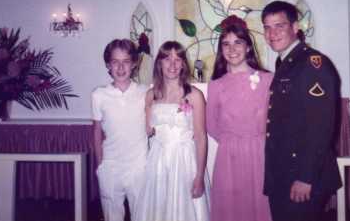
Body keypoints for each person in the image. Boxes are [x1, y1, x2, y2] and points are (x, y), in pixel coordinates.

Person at [261, 1, 342, 221]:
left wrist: (305, 177)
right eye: (267, 27)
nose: (272, 33)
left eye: (279, 25)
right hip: (286, 172)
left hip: (303, 175)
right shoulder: (287, 63)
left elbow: (320, 125)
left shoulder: (312, 64)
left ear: (295, 27)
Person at [206, 15, 273, 221]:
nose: (232, 49)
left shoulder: (267, 79)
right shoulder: (216, 84)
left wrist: (255, 140)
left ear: (248, 47)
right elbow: (211, 125)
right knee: (231, 207)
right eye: (226, 44)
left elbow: (275, 119)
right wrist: (232, 141)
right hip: (229, 155)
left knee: (258, 204)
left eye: (238, 42)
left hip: (259, 152)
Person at [134, 41, 210, 221]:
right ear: (159, 63)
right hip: (158, 162)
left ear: (184, 63)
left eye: (178, 59)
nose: (172, 64)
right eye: (167, 59)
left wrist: (199, 176)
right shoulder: (151, 95)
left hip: (185, 162)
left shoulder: (194, 95)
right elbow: (148, 131)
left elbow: (201, 138)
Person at [92, 39, 148, 221]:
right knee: (112, 216)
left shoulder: (145, 92)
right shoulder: (99, 95)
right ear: (108, 64)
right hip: (111, 166)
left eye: (125, 61)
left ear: (133, 64)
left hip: (139, 166)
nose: (121, 67)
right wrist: (100, 164)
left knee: (142, 215)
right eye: (115, 62)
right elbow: (96, 132)